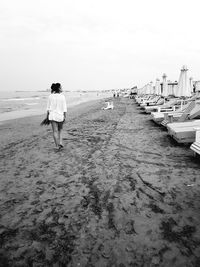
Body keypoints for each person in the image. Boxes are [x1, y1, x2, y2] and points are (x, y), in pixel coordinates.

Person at [46, 83, 67, 150]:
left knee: (55, 131)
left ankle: (57, 146)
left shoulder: (50, 96)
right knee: (60, 130)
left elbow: (48, 108)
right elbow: (64, 108)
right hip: (60, 116)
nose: (62, 88)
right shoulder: (62, 97)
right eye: (61, 87)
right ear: (58, 88)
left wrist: (47, 117)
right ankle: (60, 142)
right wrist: (65, 117)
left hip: (52, 116)